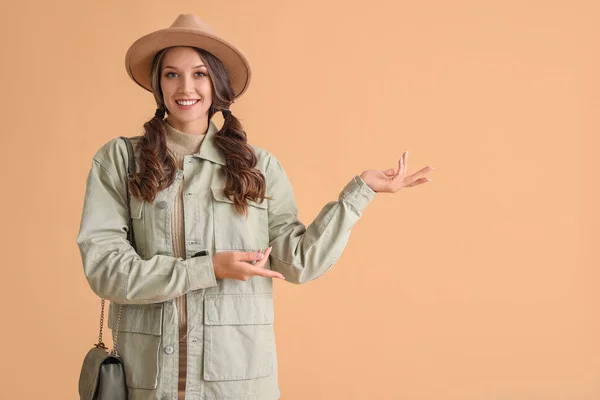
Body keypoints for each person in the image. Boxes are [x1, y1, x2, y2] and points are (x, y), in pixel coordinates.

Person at [77, 13, 434, 400]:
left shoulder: (258, 167)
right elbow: (105, 270)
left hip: (237, 386)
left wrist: (360, 192)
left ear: (217, 83)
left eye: (199, 73)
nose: (186, 87)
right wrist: (207, 269)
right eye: (171, 74)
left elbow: (297, 262)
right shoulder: (119, 160)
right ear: (158, 85)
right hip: (145, 384)